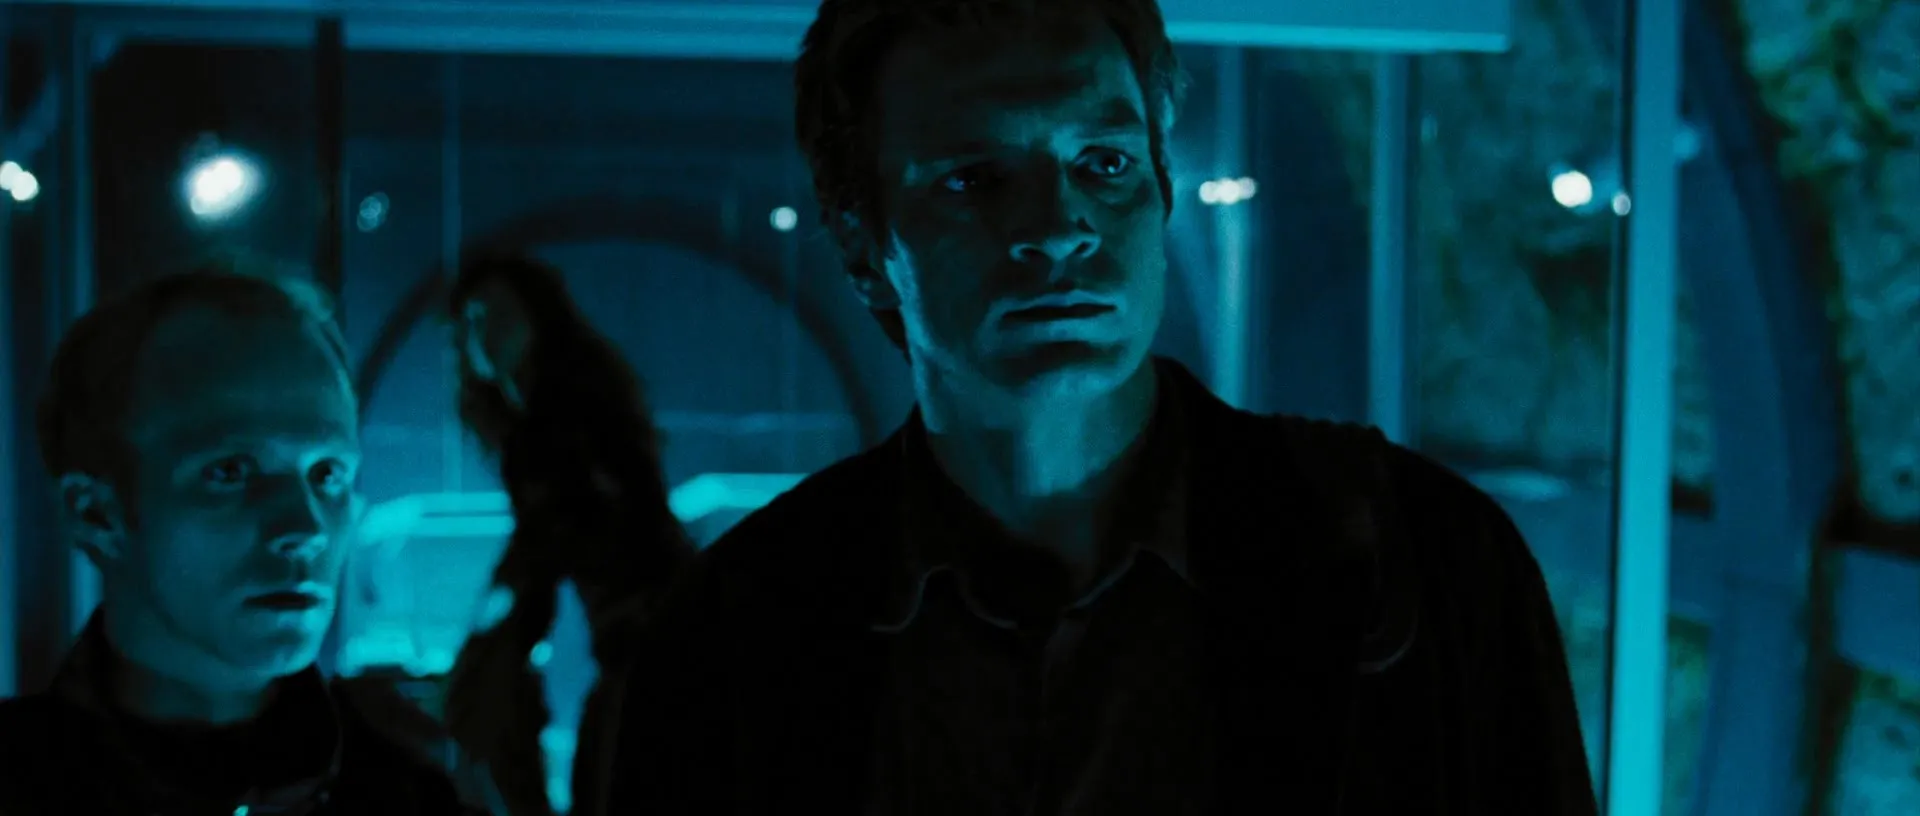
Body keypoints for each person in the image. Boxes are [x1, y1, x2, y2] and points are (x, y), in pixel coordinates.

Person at [604, 0, 1600, 814]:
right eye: (973, 179)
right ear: (864, 242)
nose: (1057, 227)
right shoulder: (736, 637)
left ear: (1162, 186)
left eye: (1104, 162)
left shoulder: (1419, 563)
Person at [0, 266, 481, 815]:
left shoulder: (416, 791)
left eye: (327, 474)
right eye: (230, 472)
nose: (304, 531)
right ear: (96, 515)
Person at [441, 252, 693, 816]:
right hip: (641, 639)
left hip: (650, 636)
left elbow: (549, 544)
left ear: (538, 317)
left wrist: (493, 640)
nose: (484, 333)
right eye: (472, 320)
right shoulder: (544, 424)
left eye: (500, 314)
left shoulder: (563, 420)